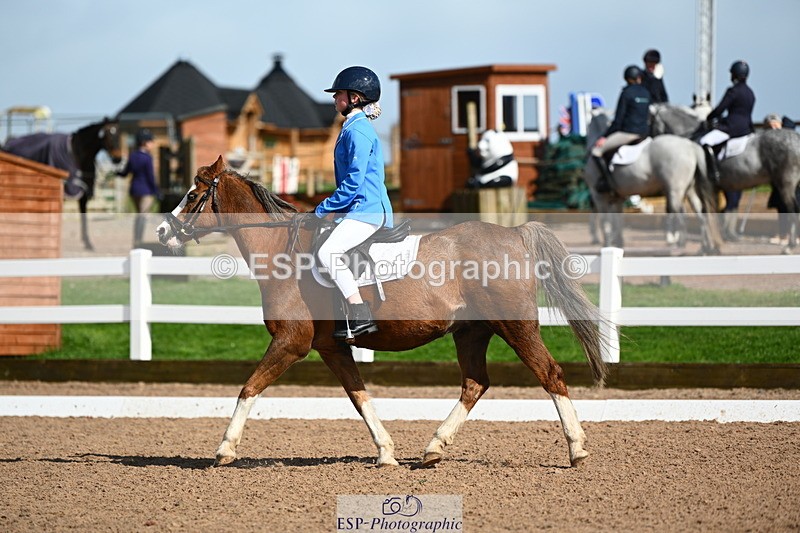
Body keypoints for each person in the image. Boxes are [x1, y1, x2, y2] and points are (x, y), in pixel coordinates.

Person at [313, 66, 393, 339]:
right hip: (358, 209)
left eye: (339, 94)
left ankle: (359, 313)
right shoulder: (354, 127)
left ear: (355, 98)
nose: (335, 99)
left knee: (328, 253)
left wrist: (322, 209)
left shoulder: (357, 131)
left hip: (367, 210)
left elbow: (352, 183)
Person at [698, 60, 756, 241]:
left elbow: (721, 108)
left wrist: (709, 117)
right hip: (747, 129)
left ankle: (713, 172)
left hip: (731, 128)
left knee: (704, 141)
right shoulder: (750, 93)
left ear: (734, 74)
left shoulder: (733, 91)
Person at [591, 65, 651, 193]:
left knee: (596, 151)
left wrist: (604, 137)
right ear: (639, 78)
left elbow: (618, 121)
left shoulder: (626, 93)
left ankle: (608, 183)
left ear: (627, 79)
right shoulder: (646, 93)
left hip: (629, 133)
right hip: (645, 133)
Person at [117, 129, 159, 246]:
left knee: (138, 215)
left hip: (134, 190)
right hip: (146, 191)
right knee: (143, 216)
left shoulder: (132, 156)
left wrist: (117, 173)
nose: (152, 144)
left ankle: (136, 239)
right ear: (145, 142)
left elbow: (125, 172)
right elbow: (150, 176)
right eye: (150, 141)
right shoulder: (148, 158)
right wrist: (156, 191)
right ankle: (139, 241)